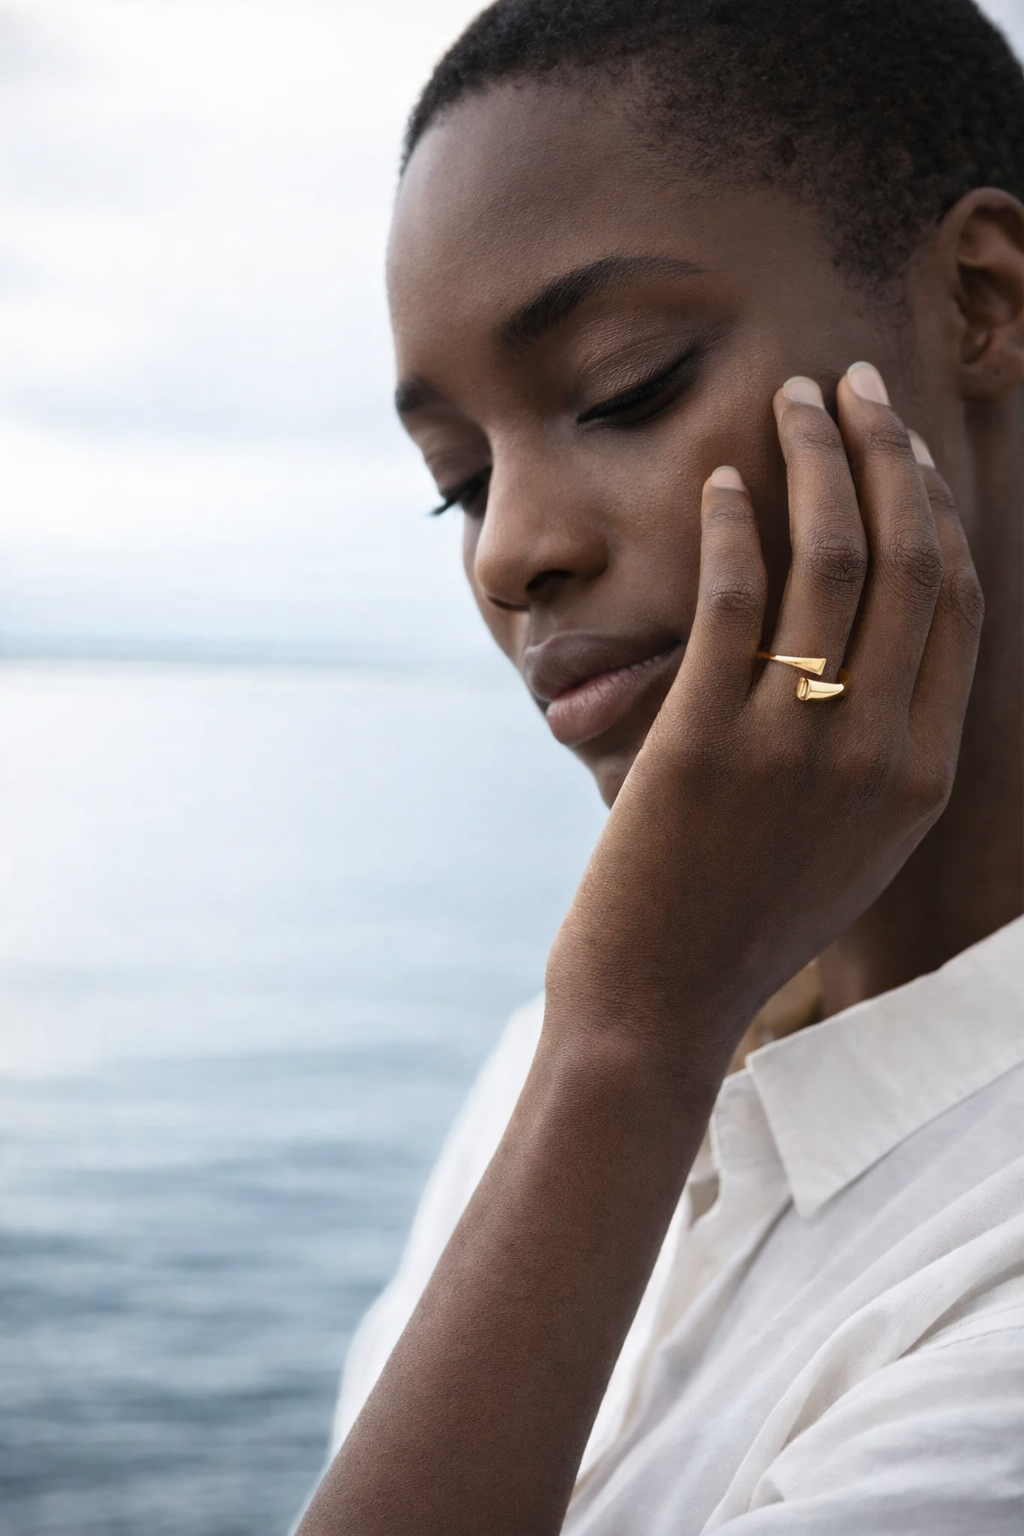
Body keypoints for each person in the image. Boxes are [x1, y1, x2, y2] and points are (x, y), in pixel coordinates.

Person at [293, 0, 1024, 1530]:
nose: (513, 553)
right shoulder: (577, 1051)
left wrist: (629, 1052)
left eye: (624, 386)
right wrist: (617, 1050)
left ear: (983, 300)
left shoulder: (623, 1039)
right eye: (459, 485)